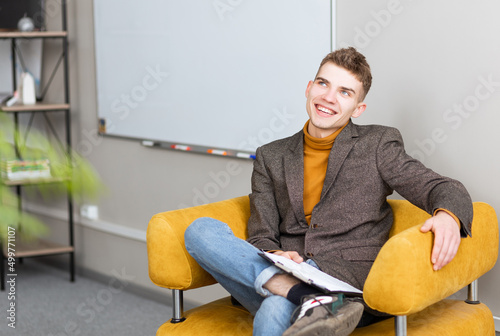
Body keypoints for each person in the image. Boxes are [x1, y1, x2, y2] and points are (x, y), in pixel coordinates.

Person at [184, 47, 473, 336]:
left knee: (275, 309)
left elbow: (442, 187)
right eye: (323, 84)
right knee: (200, 231)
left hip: (346, 285)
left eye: (345, 92)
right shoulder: (271, 156)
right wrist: (276, 254)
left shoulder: (377, 144)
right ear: (309, 88)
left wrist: (448, 216)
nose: (328, 98)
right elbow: (261, 234)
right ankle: (295, 292)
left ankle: (296, 295)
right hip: (289, 269)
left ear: (358, 108)